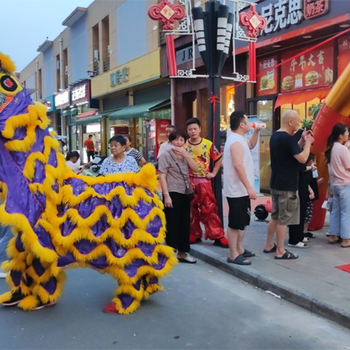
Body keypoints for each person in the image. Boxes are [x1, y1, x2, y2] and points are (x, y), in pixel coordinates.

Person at [264, 109, 314, 260]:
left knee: (275, 216)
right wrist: (309, 144)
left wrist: (302, 141)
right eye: (297, 121)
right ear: (290, 121)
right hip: (287, 185)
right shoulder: (287, 138)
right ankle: (280, 250)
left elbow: (291, 150)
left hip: (276, 182)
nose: (299, 124)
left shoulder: (276, 136)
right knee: (284, 219)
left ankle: (269, 245)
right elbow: (303, 158)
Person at [224, 112, 262, 265]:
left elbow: (251, 145)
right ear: (241, 124)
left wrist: (257, 132)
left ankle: (239, 248)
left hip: (242, 190)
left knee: (243, 221)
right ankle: (233, 254)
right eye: (247, 121)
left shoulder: (240, 139)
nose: (249, 123)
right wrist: (249, 188)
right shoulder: (235, 141)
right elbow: (238, 165)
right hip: (237, 190)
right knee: (235, 223)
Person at [184, 118, 228, 248]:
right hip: (189, 181)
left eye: (194, 129)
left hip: (204, 181)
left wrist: (214, 173)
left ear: (199, 129)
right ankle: (194, 233)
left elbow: (219, 159)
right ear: (187, 131)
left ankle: (217, 234)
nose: (192, 132)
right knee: (192, 209)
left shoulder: (208, 144)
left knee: (209, 208)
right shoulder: (184, 146)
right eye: (190, 129)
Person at [158, 129, 199, 263]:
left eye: (182, 140)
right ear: (171, 141)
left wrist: (186, 155)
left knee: (184, 223)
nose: (179, 142)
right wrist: (166, 195)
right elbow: (162, 176)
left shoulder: (185, 154)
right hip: (172, 192)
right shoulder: (165, 155)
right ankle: (169, 253)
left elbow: (196, 168)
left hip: (185, 192)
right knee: (172, 223)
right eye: (176, 139)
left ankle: (182, 252)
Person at [325, 123, 350, 248]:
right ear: (341, 135)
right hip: (345, 183)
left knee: (335, 211)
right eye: (346, 133)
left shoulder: (330, 147)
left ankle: (332, 235)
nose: (348, 135)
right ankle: (346, 238)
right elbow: (349, 166)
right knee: (346, 212)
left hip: (335, 183)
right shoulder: (342, 149)